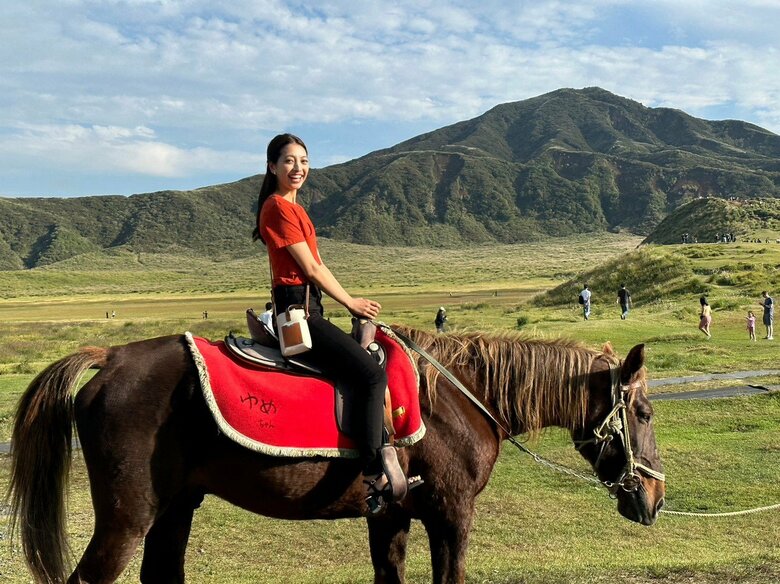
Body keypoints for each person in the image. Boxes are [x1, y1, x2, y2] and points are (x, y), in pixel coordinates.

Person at [253, 133, 393, 510]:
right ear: (272, 166)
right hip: (299, 313)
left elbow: (319, 265)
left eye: (303, 161)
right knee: (372, 375)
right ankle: (373, 474)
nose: (297, 168)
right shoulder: (278, 208)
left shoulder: (294, 209)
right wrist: (352, 302)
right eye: (288, 161)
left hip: (310, 308)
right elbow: (312, 269)